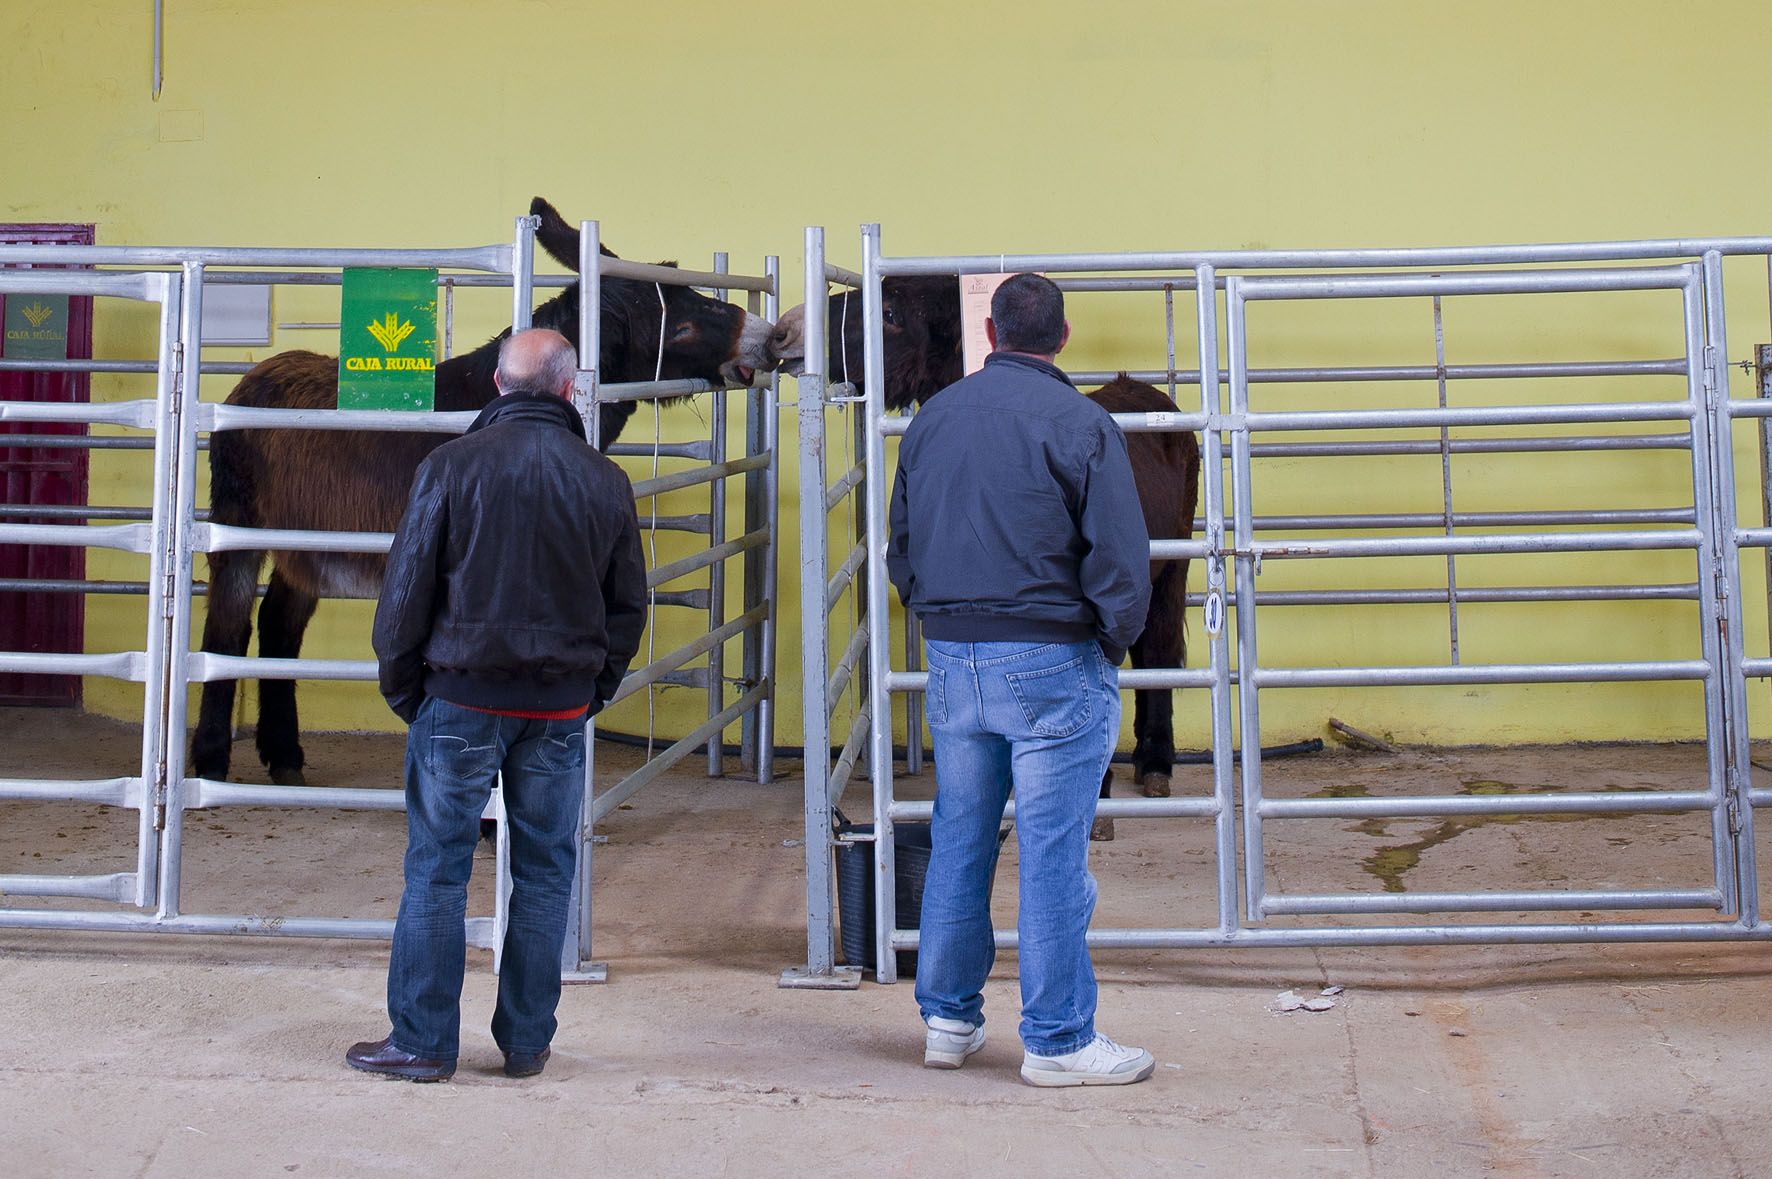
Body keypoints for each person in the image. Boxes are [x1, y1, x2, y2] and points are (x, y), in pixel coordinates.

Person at [346, 328, 647, 1082]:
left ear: (498, 385)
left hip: (458, 698)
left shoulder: (449, 466)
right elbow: (628, 608)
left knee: (438, 869)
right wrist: (588, 692)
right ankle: (525, 1043)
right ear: (571, 390)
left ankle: (421, 1041)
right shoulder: (606, 480)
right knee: (546, 872)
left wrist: (408, 690)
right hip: (556, 711)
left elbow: (404, 595)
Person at [887, 273, 1156, 1087]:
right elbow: (1119, 557)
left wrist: (943, 617)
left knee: (961, 838)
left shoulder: (933, 419)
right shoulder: (1082, 422)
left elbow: (901, 541)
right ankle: (1059, 1037)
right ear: (1063, 336)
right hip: (1049, 654)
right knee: (1050, 849)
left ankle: (948, 1019)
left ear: (992, 333)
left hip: (954, 654)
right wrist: (1107, 643)